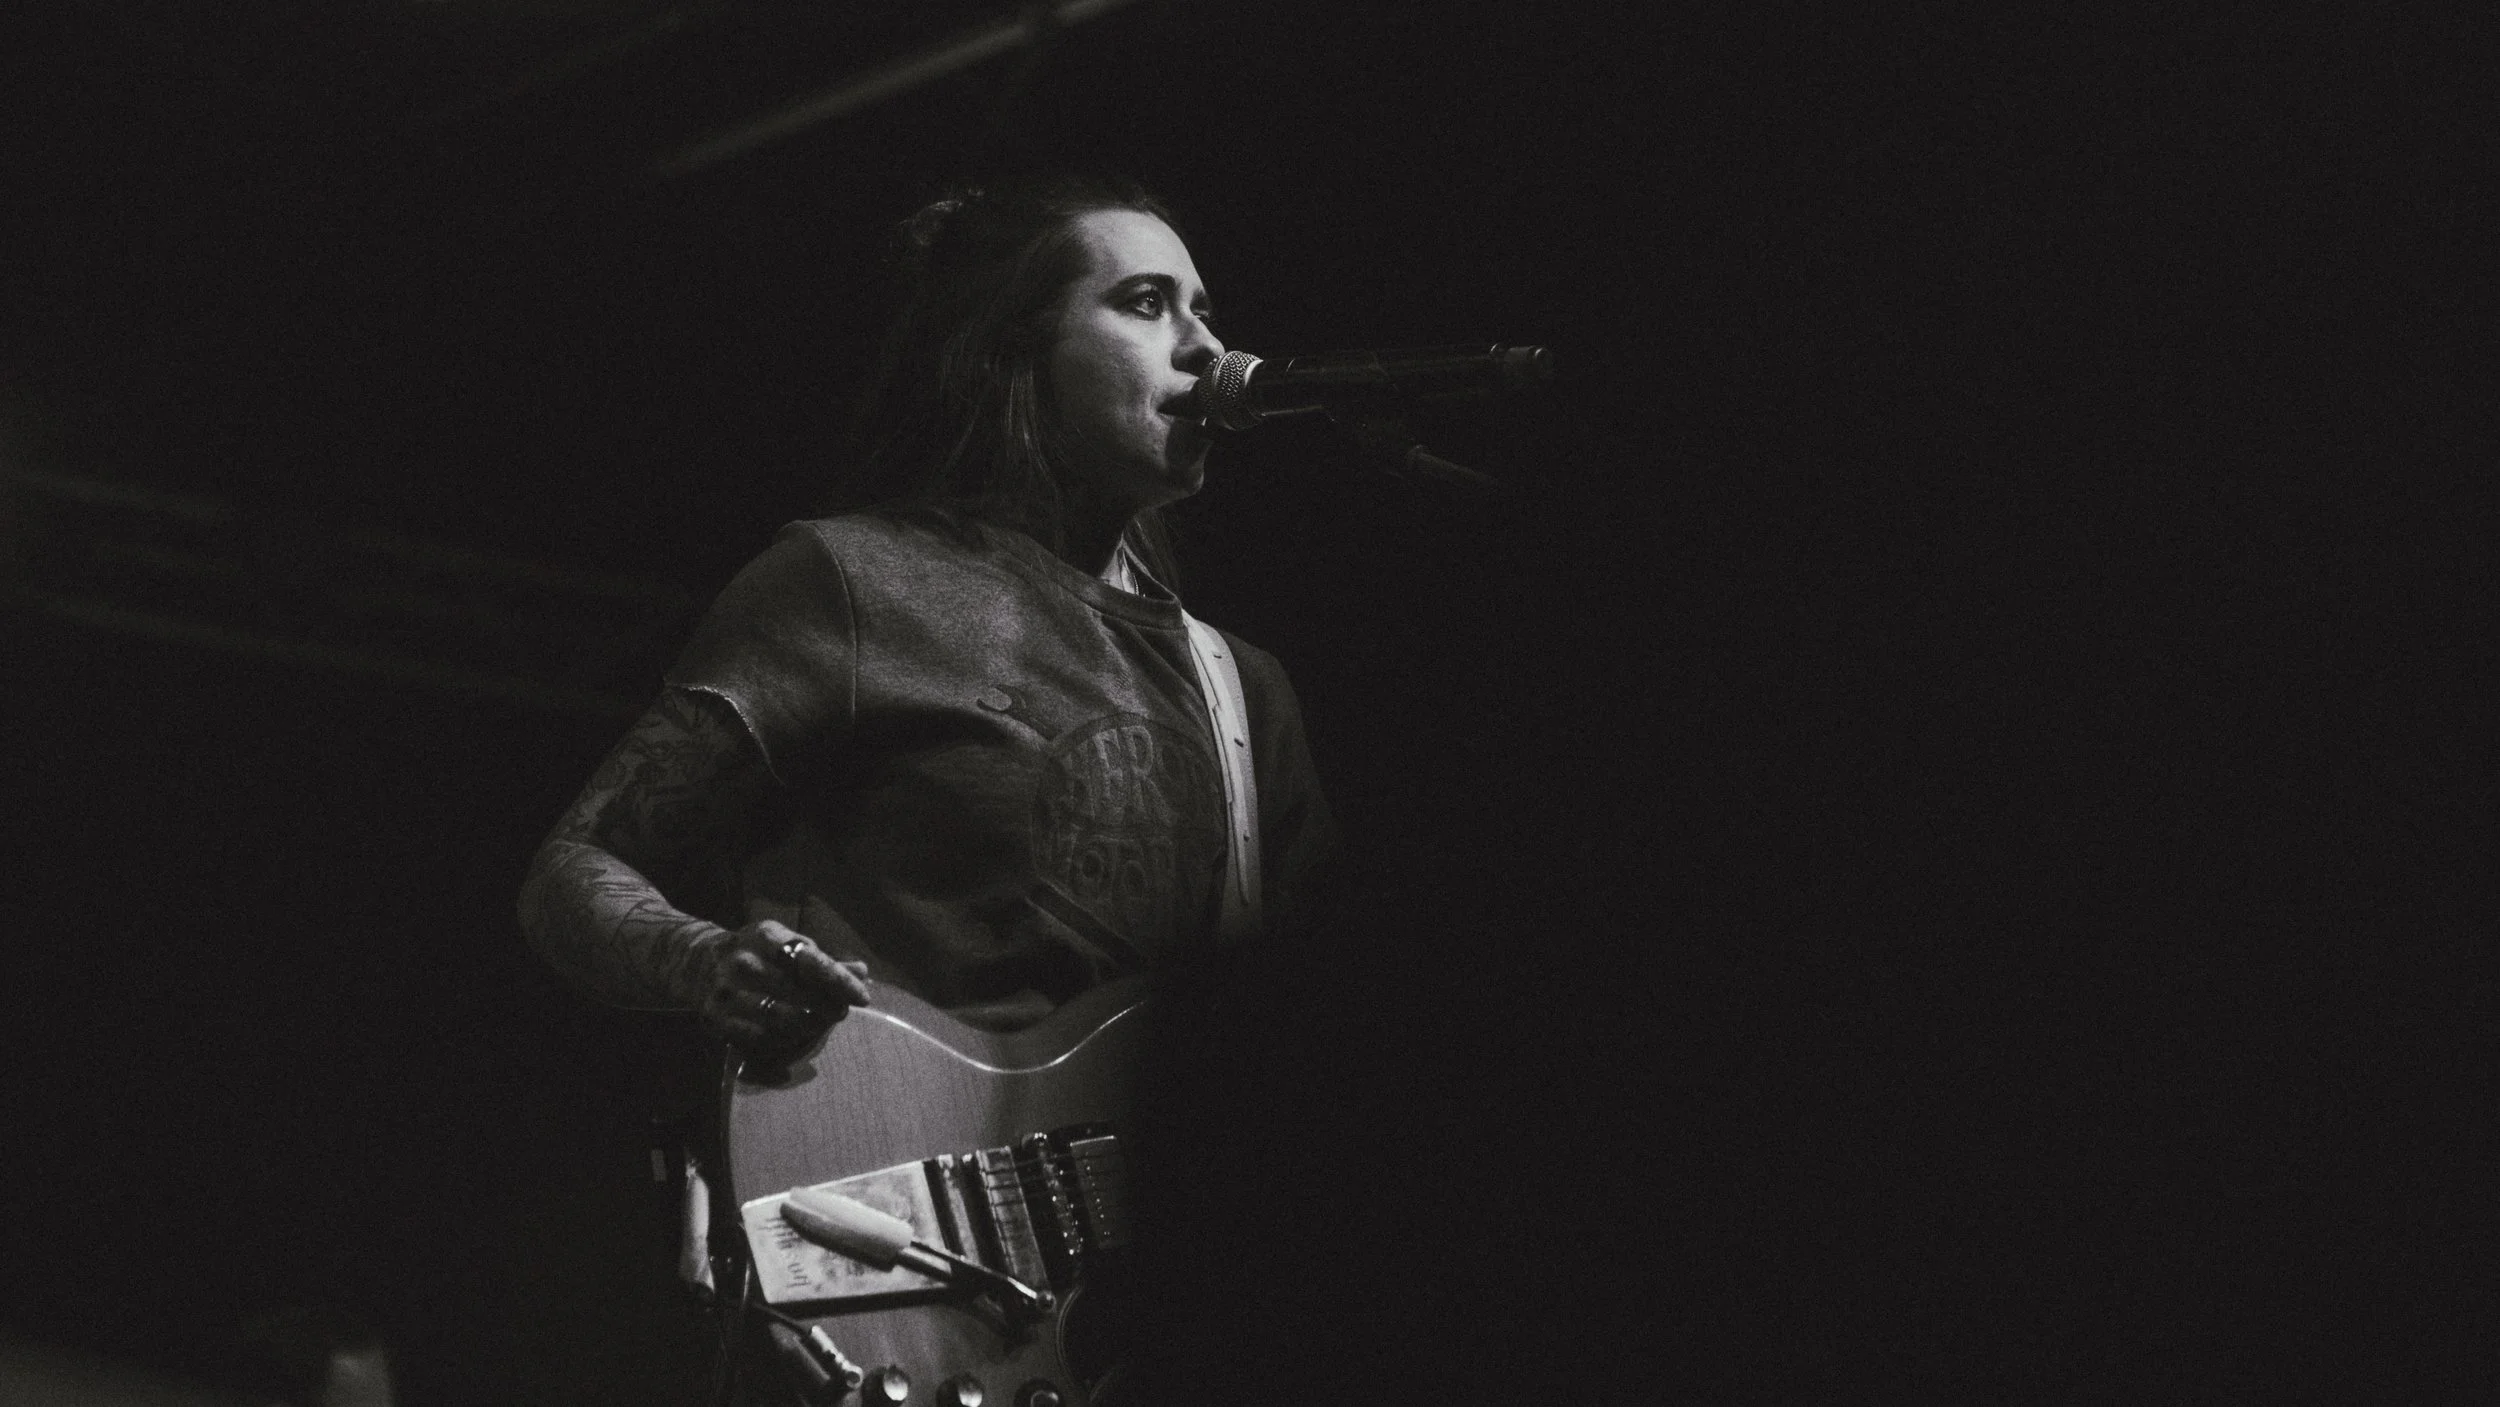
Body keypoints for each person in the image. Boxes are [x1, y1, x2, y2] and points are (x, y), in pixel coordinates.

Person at [516, 169, 1337, 1072]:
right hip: (872, 1147)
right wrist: (704, 958)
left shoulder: (1245, 696)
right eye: (1147, 303)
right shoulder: (853, 581)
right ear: (1015, 349)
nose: (1207, 345)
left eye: (1204, 310)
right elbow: (575, 865)